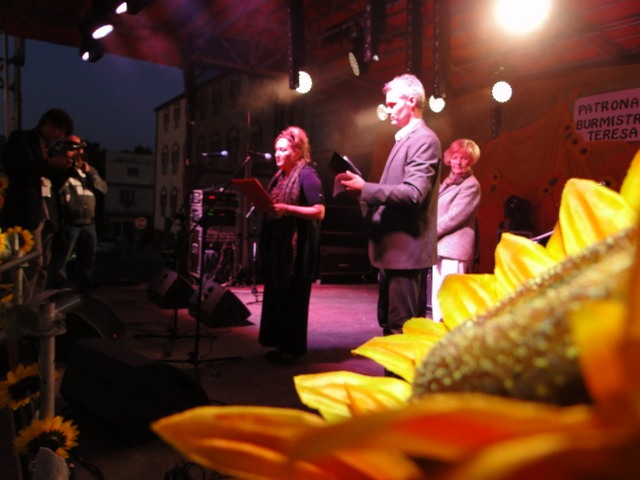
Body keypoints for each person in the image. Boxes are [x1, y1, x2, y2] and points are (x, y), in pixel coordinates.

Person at [341, 73, 441, 336]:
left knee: (401, 330)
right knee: (391, 325)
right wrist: (361, 190)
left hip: (406, 254)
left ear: (411, 101)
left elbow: (413, 194)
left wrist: (366, 188)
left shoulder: (424, 139)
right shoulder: (406, 139)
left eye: (393, 104)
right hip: (395, 252)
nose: (388, 110)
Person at [258, 126, 325, 364]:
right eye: (276, 149)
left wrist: (287, 209)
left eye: (283, 150)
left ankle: (292, 348)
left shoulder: (308, 175)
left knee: (294, 298)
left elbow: (319, 212)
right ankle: (279, 343)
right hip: (279, 247)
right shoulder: (279, 177)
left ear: (297, 151)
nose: (278, 154)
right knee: (277, 295)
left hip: (298, 249)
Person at [1, 108, 75, 300]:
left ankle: (36, 303)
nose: (61, 136)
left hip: (47, 213)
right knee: (32, 262)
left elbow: (54, 183)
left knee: (44, 265)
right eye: (60, 131)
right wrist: (49, 163)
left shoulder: (52, 149)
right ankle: (22, 306)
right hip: (26, 211)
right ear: (48, 123)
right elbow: (14, 169)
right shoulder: (21, 139)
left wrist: (66, 167)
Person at [47, 135, 108, 291]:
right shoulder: (61, 167)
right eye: (69, 147)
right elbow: (55, 186)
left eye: (77, 147)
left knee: (87, 259)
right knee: (61, 260)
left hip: (88, 223)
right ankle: (57, 290)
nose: (74, 151)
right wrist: (69, 169)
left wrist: (89, 174)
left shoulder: (90, 170)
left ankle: (84, 287)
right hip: (68, 223)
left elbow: (103, 189)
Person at [431, 138, 481, 322]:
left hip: (455, 249)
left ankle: (451, 335)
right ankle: (439, 333)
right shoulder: (449, 181)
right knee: (438, 298)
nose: (459, 162)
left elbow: (454, 217)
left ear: (471, 161)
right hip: (440, 247)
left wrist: (429, 233)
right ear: (449, 158)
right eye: (455, 157)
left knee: (451, 299)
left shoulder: (471, 185)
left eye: (464, 158)